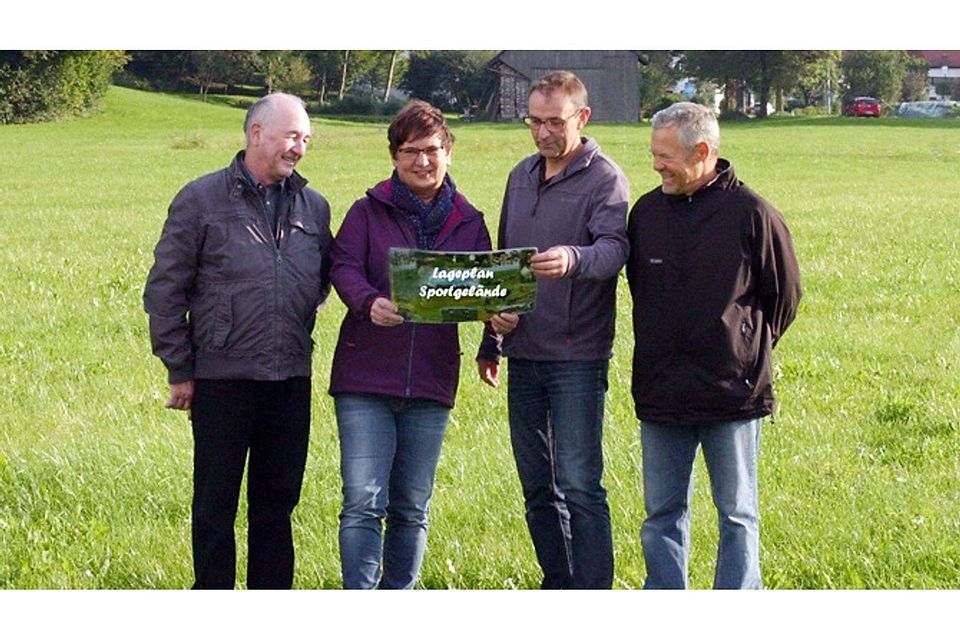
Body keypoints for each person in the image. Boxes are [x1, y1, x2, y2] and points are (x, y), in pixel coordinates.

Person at [143, 93, 331, 589]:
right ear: (256, 134)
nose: (299, 148)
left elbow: (325, 280)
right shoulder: (200, 199)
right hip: (222, 378)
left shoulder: (315, 206)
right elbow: (165, 289)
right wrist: (180, 368)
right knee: (214, 506)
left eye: (306, 139)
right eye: (292, 136)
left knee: (277, 506)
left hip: (289, 378)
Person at [626, 101, 802, 589]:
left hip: (732, 392)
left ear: (702, 151)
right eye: (653, 154)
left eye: (666, 156)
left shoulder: (752, 213)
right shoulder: (645, 213)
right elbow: (640, 287)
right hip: (661, 388)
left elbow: (785, 295)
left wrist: (744, 349)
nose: (656, 165)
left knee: (737, 513)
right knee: (660, 512)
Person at [328, 100, 496, 589]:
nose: (421, 162)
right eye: (409, 152)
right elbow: (343, 267)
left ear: (449, 151)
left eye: (431, 150)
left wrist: (495, 336)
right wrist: (367, 302)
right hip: (365, 377)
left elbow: (490, 288)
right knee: (363, 499)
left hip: (431, 379)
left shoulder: (469, 221)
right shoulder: (367, 210)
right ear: (393, 156)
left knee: (411, 505)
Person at [476, 71, 630, 589]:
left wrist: (572, 257)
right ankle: (558, 585)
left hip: (576, 357)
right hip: (524, 353)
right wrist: (491, 336)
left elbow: (614, 249)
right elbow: (504, 264)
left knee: (581, 484)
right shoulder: (520, 175)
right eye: (534, 122)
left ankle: (592, 592)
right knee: (537, 485)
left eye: (553, 122)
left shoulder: (605, 178)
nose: (542, 133)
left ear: (581, 118)